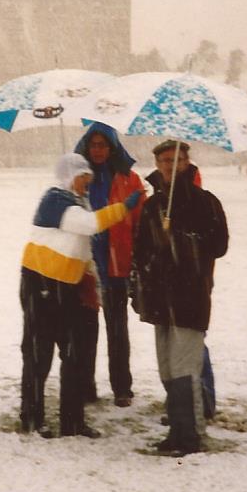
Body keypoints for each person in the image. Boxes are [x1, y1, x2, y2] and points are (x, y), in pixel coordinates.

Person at [19, 152, 142, 439]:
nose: (87, 184)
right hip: (41, 284)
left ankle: (72, 421)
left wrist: (90, 284)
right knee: (39, 354)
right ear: (70, 177)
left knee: (75, 354)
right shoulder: (54, 200)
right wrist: (124, 207)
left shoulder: (77, 201)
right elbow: (89, 225)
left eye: (88, 180)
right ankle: (31, 418)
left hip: (69, 285)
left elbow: (82, 248)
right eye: (83, 179)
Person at [131, 140, 229, 456]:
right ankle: (177, 428)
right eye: (165, 160)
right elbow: (140, 252)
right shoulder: (151, 206)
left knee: (185, 367)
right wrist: (139, 289)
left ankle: (190, 436)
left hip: (190, 299)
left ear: (187, 162)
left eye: (178, 159)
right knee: (167, 368)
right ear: (157, 163)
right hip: (160, 301)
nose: (171, 166)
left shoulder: (205, 202)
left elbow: (219, 245)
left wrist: (183, 240)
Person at [73, 123, 147, 408]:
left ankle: (122, 387)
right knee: (85, 331)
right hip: (86, 266)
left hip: (117, 266)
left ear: (113, 147)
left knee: (118, 330)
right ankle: (85, 386)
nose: (98, 150)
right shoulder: (79, 179)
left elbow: (140, 219)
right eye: (93, 145)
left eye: (103, 145)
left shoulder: (129, 179)